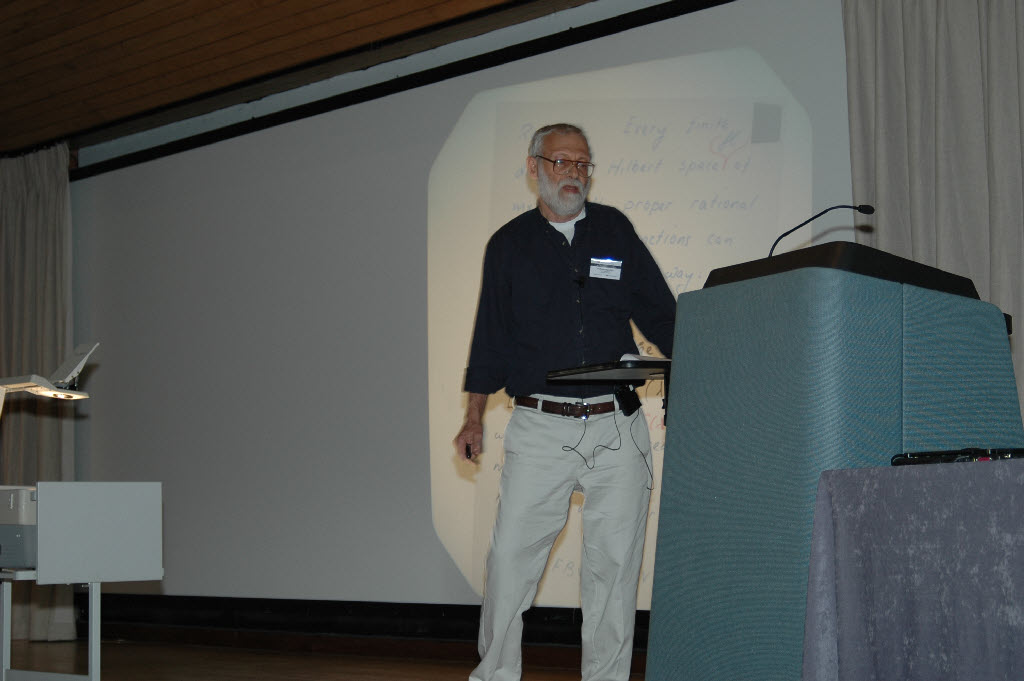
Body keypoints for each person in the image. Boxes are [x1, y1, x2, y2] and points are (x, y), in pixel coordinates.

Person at [455, 123, 676, 681]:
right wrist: (473, 418)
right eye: (561, 162)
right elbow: (489, 339)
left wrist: (705, 368)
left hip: (617, 425)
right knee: (510, 562)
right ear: (534, 168)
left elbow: (663, 315)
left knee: (615, 571)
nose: (573, 173)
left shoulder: (615, 229)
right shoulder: (508, 245)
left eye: (582, 163)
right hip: (541, 427)